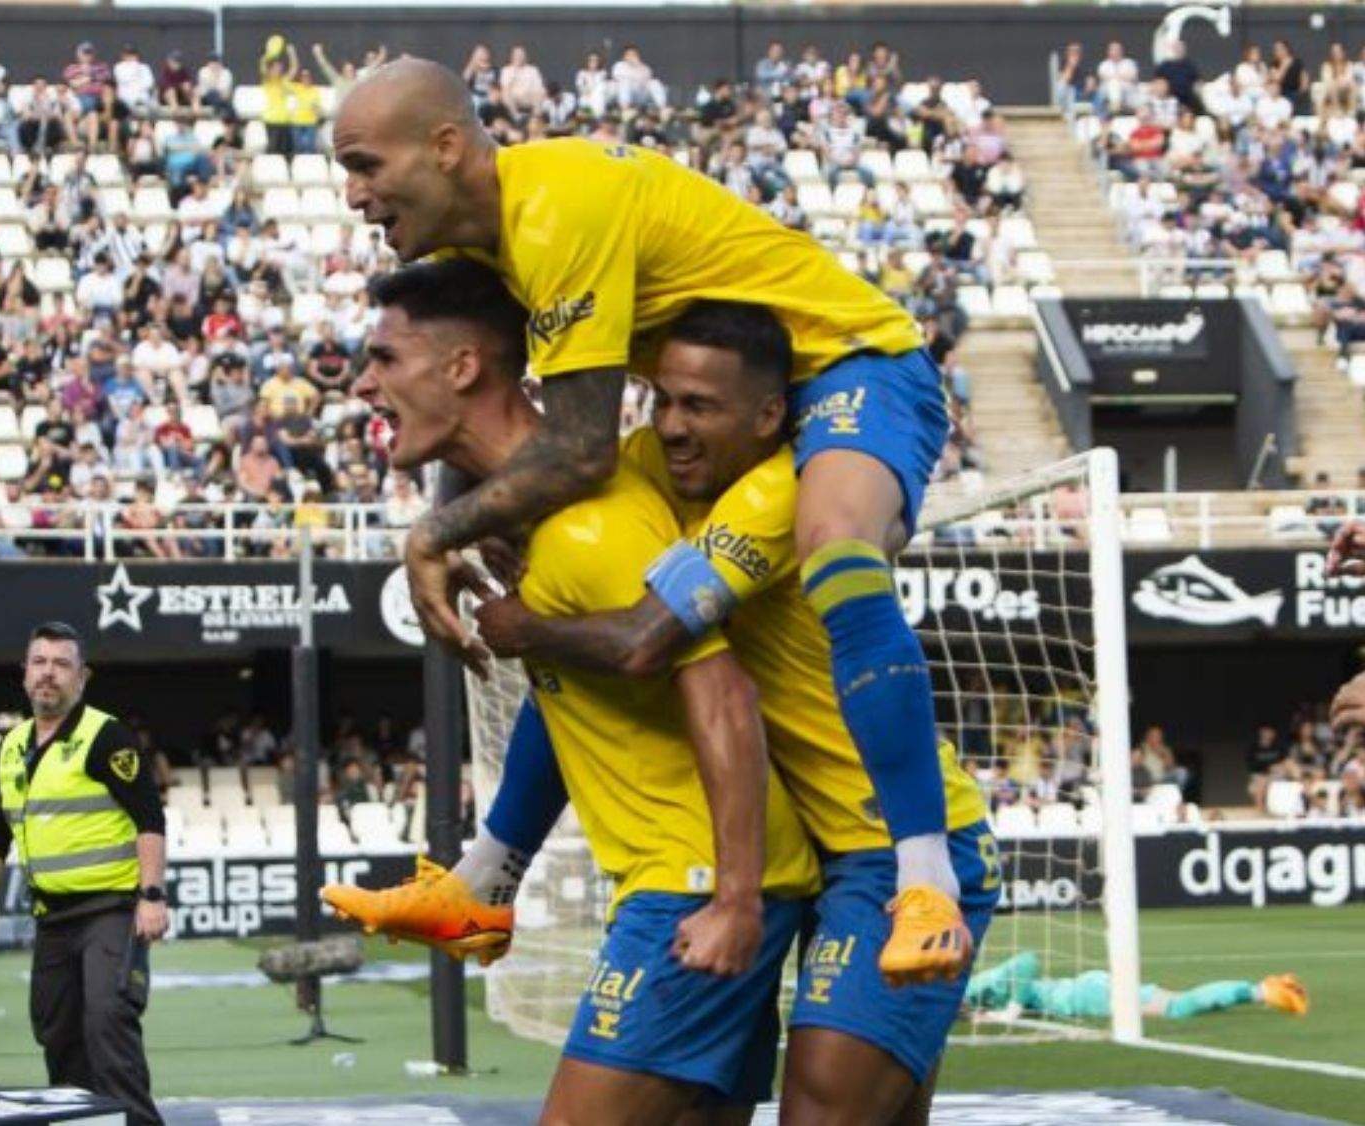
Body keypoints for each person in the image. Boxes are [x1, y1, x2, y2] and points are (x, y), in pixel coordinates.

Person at [333, 60, 972, 981]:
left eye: (364, 165)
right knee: (578, 586)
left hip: (845, 369)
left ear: (443, 146)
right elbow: (493, 421)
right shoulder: (487, 254)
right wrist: (483, 527)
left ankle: (925, 877)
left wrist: (436, 537)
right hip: (711, 416)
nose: (354, 195)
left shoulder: (558, 209)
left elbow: (584, 446)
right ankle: (484, 877)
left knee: (833, 550)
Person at [456, 297, 999, 1122]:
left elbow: (643, 642)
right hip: (800, 850)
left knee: (822, 1109)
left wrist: (526, 620)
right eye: (662, 400)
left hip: (885, 846)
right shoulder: (655, 470)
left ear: (770, 415)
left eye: (700, 406)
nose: (671, 426)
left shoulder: (789, 490)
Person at [324, 262, 822, 1123]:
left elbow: (723, 695)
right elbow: (579, 706)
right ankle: (479, 882)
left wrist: (733, 896)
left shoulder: (589, 528)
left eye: (385, 358)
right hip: (696, 879)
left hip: (695, 887)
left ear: (463, 367)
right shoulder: (538, 519)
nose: (363, 382)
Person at [0, 623, 167, 1126]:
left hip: (111, 910)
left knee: (107, 1023)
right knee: (57, 1034)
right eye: (39, 662)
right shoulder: (10, 746)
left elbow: (149, 817)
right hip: (52, 920)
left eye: (61, 664)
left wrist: (152, 895)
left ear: (82, 677)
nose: (48, 674)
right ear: (24, 674)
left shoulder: (105, 735)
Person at [966, 950, 1308, 1022]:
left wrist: (1011, 1009)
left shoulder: (969, 988)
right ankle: (1267, 988)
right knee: (1177, 1004)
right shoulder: (965, 1002)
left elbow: (1027, 961)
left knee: (1177, 1008)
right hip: (1088, 992)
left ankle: (1265, 990)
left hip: (1087, 997)